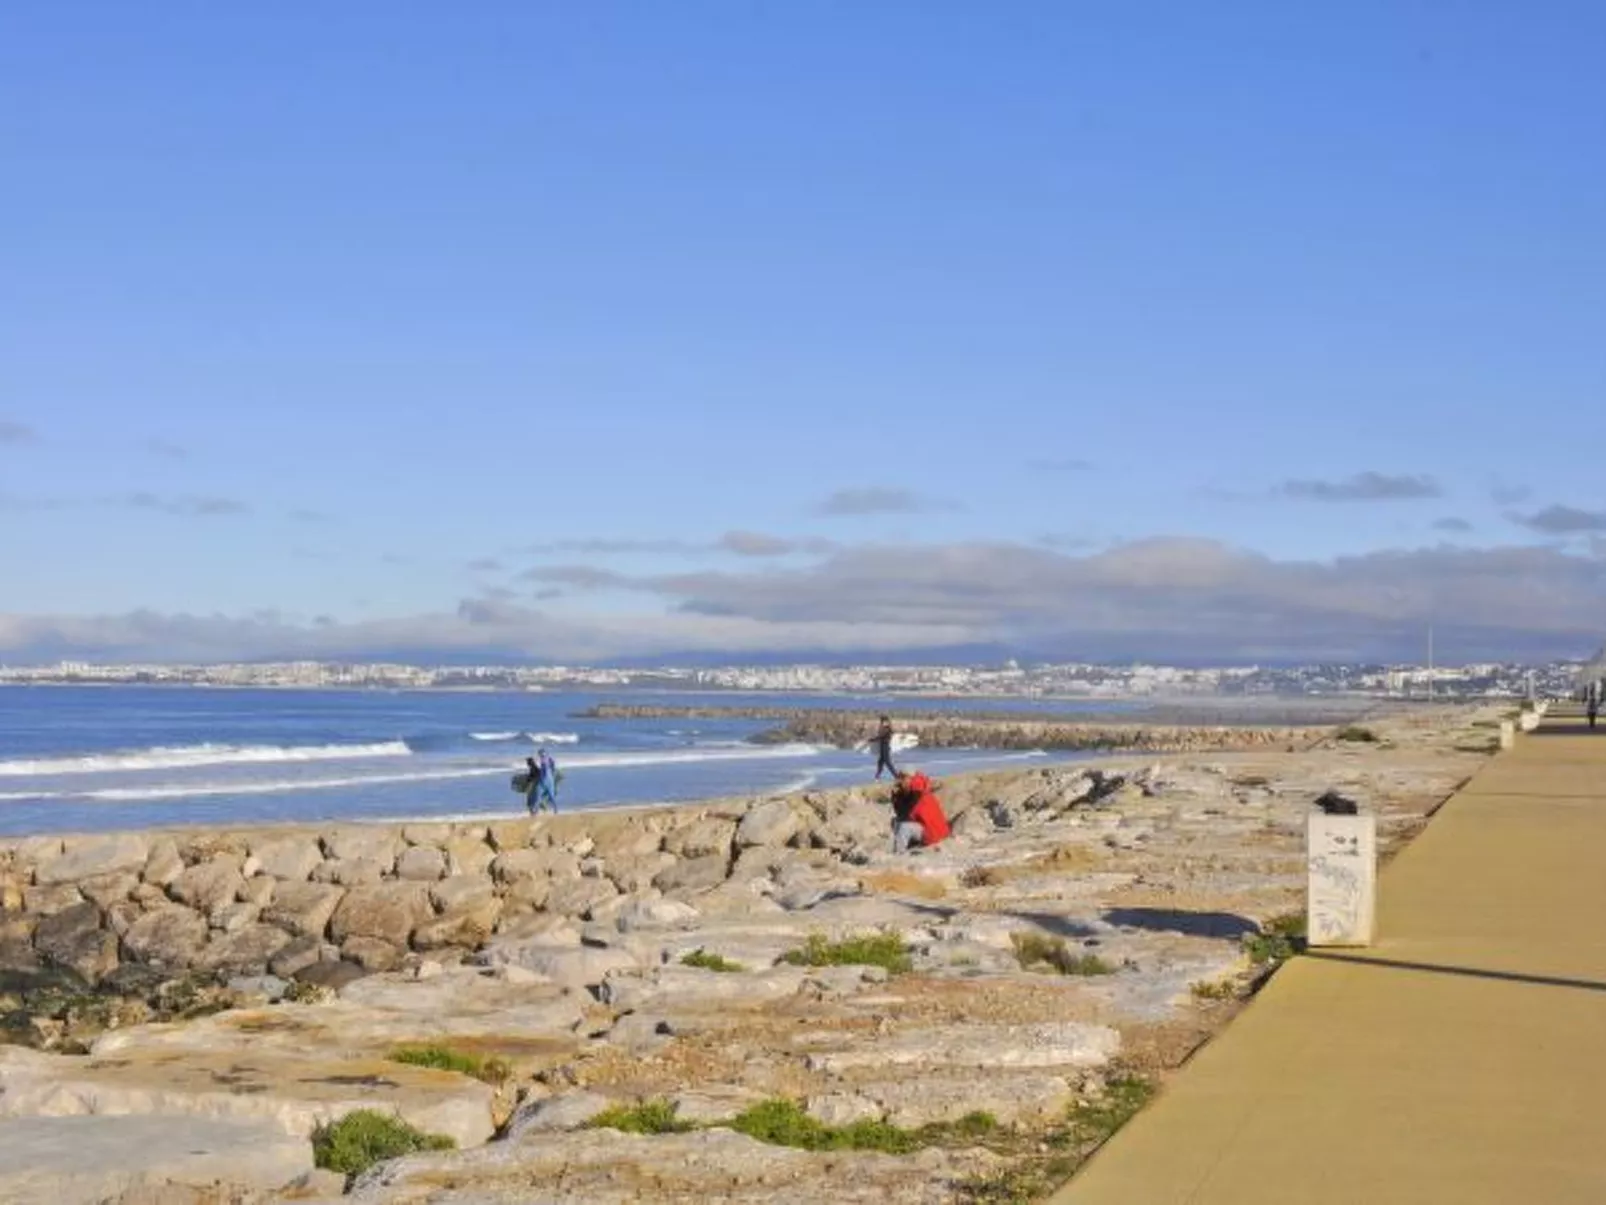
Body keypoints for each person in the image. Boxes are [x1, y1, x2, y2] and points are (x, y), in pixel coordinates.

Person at [889, 769, 949, 854]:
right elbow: (901, 812)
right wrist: (897, 796)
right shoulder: (913, 789)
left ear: (910, 778)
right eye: (899, 777)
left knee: (904, 826)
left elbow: (905, 814)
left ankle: (899, 853)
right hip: (927, 826)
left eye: (902, 777)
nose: (899, 780)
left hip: (933, 832)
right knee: (896, 822)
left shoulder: (918, 791)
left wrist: (896, 798)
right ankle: (906, 844)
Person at [870, 715, 898, 779]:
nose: (882, 723)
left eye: (883, 721)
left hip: (885, 746)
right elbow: (880, 736)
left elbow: (880, 736)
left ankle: (896, 776)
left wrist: (872, 740)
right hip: (882, 746)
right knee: (880, 762)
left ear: (887, 721)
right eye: (881, 721)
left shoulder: (887, 729)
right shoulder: (884, 728)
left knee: (887, 762)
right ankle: (877, 776)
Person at [536, 747, 559, 811]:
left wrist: (541, 778)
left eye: (539, 754)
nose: (539, 755)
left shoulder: (543, 760)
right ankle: (555, 809)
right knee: (551, 796)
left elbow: (545, 770)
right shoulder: (549, 759)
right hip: (551, 779)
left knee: (538, 794)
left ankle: (536, 810)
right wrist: (553, 772)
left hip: (545, 780)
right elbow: (553, 767)